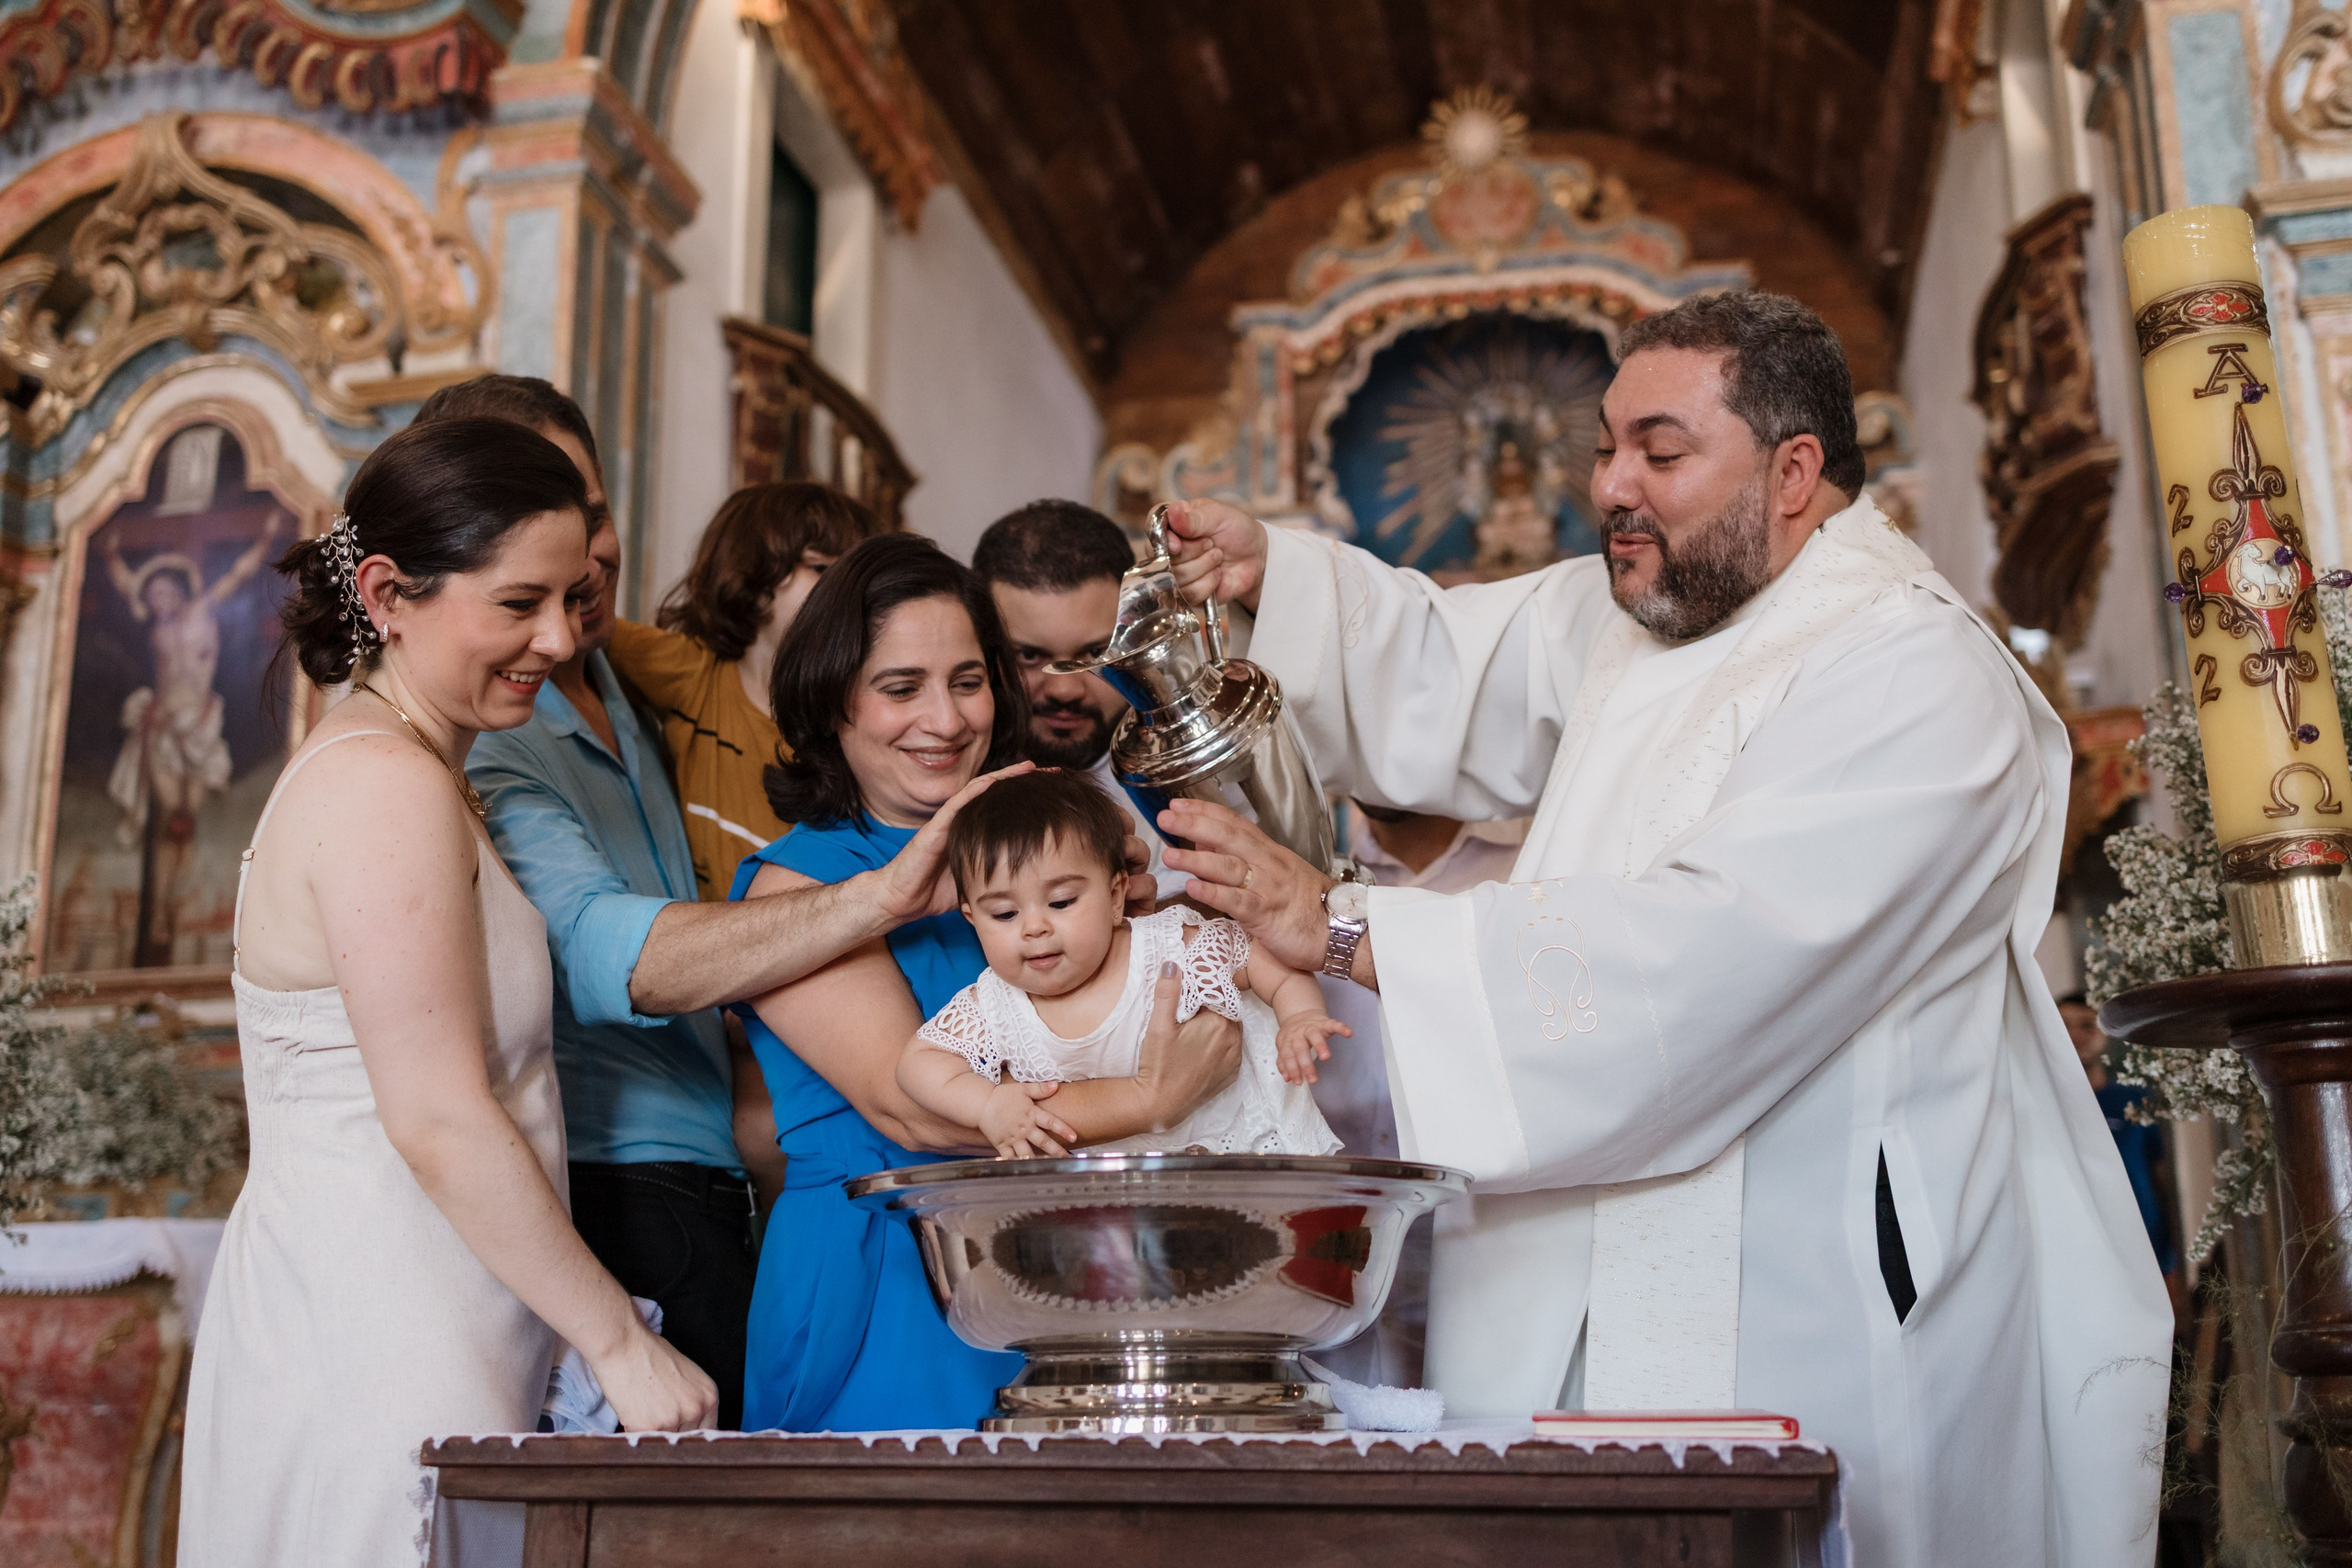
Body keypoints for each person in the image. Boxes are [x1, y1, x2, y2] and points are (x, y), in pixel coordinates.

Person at [1158, 290, 2171, 1567]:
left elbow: (1717, 957)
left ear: (1795, 471)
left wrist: (1349, 927)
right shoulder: (1639, 611)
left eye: (1661, 449)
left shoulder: (1914, 674)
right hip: (1564, 1291)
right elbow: (1436, 660)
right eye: (1603, 447)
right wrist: (1278, 578)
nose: (1614, 486)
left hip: (1806, 1285)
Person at [180, 418, 716, 1568]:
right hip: (378, 1314)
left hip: (432, 1294)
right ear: (388, 592)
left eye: (572, 600)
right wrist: (617, 1341)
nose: (559, 638)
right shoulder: (382, 784)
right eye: (519, 603)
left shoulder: (418, 768)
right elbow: (434, 1113)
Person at [732, 533, 1246, 1431]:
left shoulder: (1045, 853)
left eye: (967, 681)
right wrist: (1151, 1097)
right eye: (901, 688)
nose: (946, 719)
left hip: (1059, 1254)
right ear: (831, 703)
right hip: (888, 1264)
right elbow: (916, 1111)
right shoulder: (801, 886)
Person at [899, 768, 1343, 1158]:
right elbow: (918, 1064)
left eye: (1061, 901)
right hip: (1117, 1210)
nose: (1034, 928)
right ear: (972, 919)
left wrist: (1300, 1015)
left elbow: (1263, 957)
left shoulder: (1165, 947)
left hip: (1243, 1158)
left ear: (1115, 897)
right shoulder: (995, 1005)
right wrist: (986, 1105)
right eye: (1004, 914)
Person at [611, 481, 883, 900]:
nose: (847, 595)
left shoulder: (856, 715)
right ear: (753, 581)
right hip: (708, 944)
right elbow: (585, 635)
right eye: (822, 570)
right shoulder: (695, 673)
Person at [971, 500, 1188, 903]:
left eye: (1094, 654)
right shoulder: (936, 776)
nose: (1065, 690)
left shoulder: (1191, 779)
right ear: (983, 649)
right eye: (1029, 656)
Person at [102, 508, 285, 964]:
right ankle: (161, 914)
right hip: (165, 727)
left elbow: (240, 575)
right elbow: (128, 584)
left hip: (202, 726)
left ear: (180, 590)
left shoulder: (204, 610)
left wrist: (266, 536)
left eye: (165, 590)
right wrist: (110, 554)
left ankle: (174, 908)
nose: (158, 597)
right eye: (154, 592)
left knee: (187, 823)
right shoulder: (155, 621)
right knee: (170, 817)